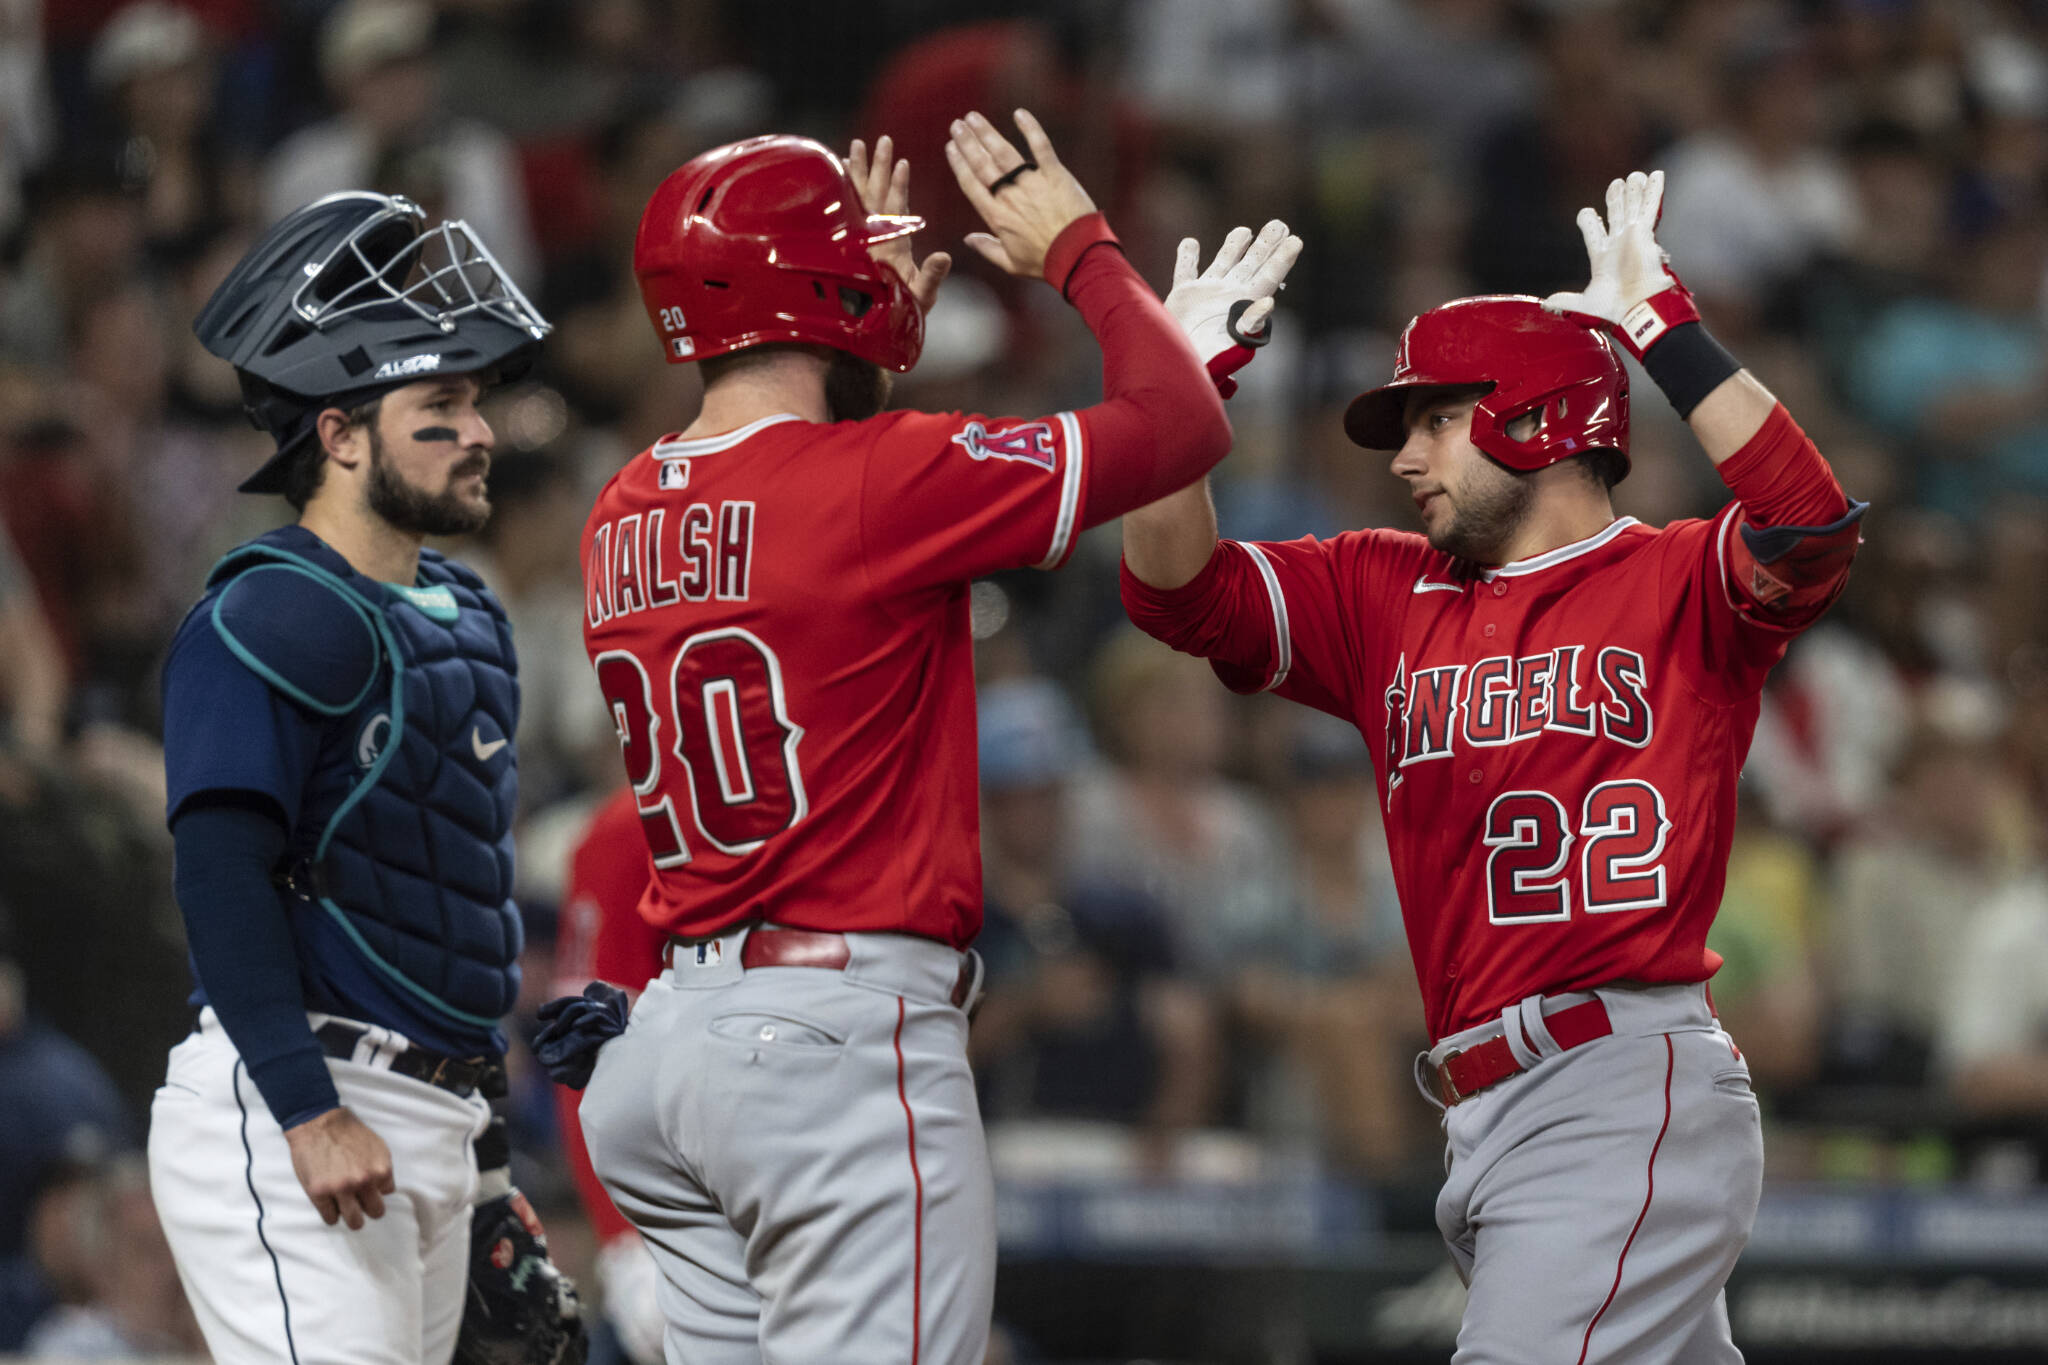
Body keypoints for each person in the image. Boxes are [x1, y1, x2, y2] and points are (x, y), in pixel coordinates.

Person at [545, 115, 1297, 1364]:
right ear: (806, 287)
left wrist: (860, 349)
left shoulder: (621, 502)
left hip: (671, 1053)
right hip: (829, 1050)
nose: (883, 267)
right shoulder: (875, 477)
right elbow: (1171, 428)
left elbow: (818, 520)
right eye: (853, 253)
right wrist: (1084, 256)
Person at [1121, 171, 1863, 1362]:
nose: (1405, 458)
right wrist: (1175, 392)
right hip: (1488, 1103)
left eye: (1433, 420)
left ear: (1538, 417)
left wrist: (1662, 330)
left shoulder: (1674, 580)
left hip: (1617, 1077)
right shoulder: (1382, 587)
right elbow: (1173, 591)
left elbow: (1808, 527)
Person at [146, 190, 569, 1364]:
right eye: (440, 405)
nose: (479, 431)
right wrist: (305, 1107)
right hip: (303, 1097)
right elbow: (221, 875)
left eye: (475, 402)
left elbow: (447, 908)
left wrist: (485, 1172)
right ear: (337, 435)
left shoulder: (468, 613)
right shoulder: (273, 609)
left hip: (430, 1120)